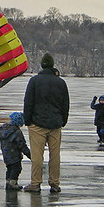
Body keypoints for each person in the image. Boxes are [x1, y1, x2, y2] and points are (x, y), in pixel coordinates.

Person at [22, 53, 70, 193]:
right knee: (55, 156)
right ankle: (54, 183)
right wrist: (63, 121)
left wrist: (28, 120)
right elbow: (65, 104)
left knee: (37, 156)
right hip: (56, 124)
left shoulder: (34, 81)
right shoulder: (60, 82)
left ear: (42, 65)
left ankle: (35, 183)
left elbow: (28, 102)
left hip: (37, 124)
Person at [0, 111, 31, 191]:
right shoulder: (17, 132)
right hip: (15, 155)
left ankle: (8, 182)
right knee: (16, 168)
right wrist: (30, 155)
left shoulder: (3, 130)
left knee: (9, 168)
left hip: (6, 154)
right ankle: (13, 183)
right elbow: (22, 145)